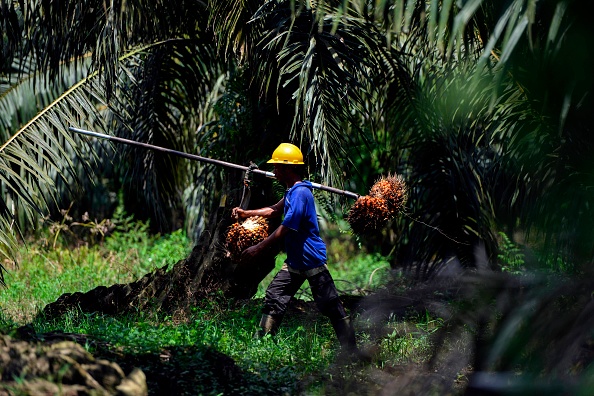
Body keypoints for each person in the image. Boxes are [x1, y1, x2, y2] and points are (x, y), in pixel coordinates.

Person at [232, 143, 365, 358]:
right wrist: (247, 213)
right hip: (294, 261)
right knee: (275, 296)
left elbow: (289, 225)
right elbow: (275, 210)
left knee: (331, 305)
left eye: (277, 167)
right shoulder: (293, 191)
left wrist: (259, 248)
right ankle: (261, 343)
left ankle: (351, 351)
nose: (274, 171)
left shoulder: (302, 192)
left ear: (287, 169)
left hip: (310, 259)